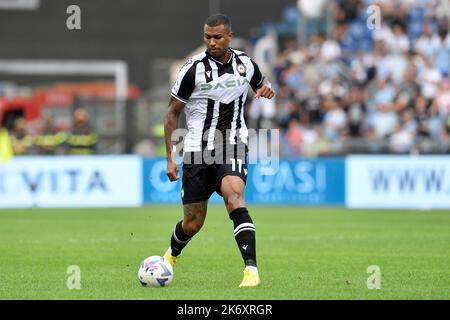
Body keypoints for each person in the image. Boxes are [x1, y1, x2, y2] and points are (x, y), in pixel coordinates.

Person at [163, 14, 275, 287]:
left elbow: (260, 83)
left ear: (229, 37)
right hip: (197, 151)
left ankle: (251, 271)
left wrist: (265, 90)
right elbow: (171, 114)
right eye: (207, 37)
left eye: (217, 37)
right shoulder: (192, 70)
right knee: (193, 223)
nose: (211, 43)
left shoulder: (245, 63)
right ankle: (170, 256)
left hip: (232, 144)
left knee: (234, 196)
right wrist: (170, 157)